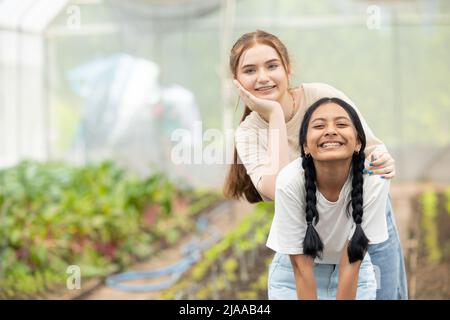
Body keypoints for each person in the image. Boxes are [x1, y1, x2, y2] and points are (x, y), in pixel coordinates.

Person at [223, 30, 408, 300]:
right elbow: (278, 189)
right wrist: (274, 115)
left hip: (360, 218)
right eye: (250, 70)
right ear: (237, 82)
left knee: (385, 293)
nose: (263, 77)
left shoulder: (320, 96)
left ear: (288, 69)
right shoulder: (248, 133)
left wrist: (383, 159)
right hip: (310, 233)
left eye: (272, 66)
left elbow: (370, 148)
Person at [267, 97, 388, 300]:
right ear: (305, 146)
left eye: (341, 124)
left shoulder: (374, 180)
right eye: (319, 125)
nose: (330, 131)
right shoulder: (290, 181)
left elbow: (351, 260)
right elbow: (301, 267)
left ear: (358, 143)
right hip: (293, 275)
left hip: (354, 275)